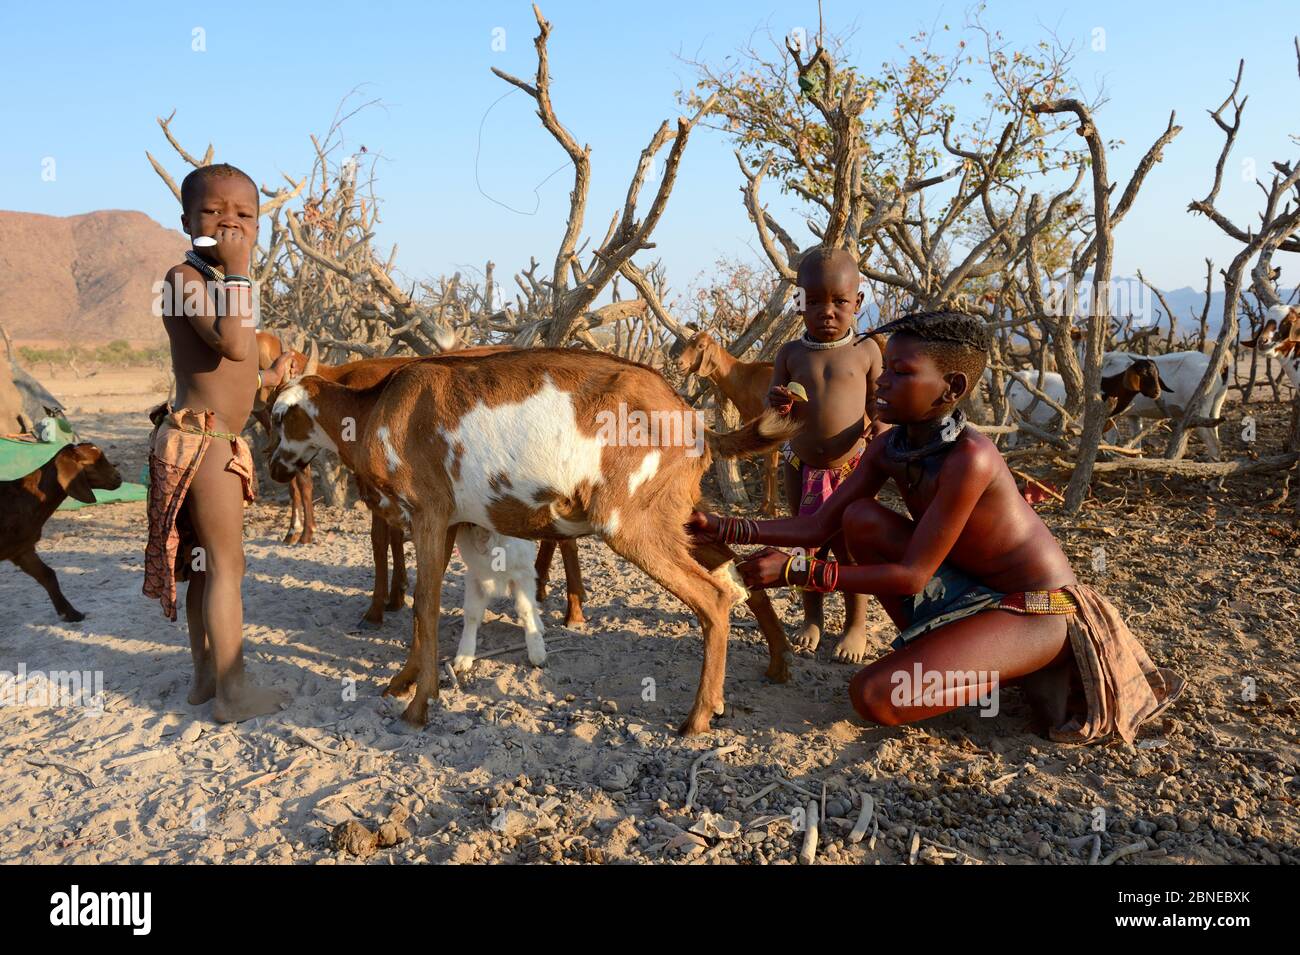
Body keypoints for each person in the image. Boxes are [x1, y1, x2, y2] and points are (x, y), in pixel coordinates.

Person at [691, 310, 1182, 743]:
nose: (881, 382)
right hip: (971, 593)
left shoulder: (970, 458)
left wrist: (801, 574)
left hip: (1038, 608)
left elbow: (911, 578)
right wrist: (724, 527)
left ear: (952, 389)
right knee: (859, 518)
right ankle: (979, 657)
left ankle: (1041, 663)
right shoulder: (892, 445)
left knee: (875, 696)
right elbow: (820, 524)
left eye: (900, 373)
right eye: (886, 371)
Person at [144, 163, 296, 722]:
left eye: (245, 215)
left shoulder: (215, 284)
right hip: (202, 441)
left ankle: (205, 677)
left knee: (206, 566)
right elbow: (233, 345)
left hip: (215, 438)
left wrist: (270, 378)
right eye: (214, 212)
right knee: (227, 566)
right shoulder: (185, 280)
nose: (230, 223)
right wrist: (240, 270)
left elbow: (236, 371)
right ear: (186, 221)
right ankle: (233, 691)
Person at [766, 247, 884, 663]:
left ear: (858, 302)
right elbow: (773, 410)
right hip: (801, 466)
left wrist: (881, 433)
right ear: (799, 303)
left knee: (850, 548)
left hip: (851, 467)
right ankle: (811, 618)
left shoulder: (867, 351)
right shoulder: (790, 355)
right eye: (813, 301)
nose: (826, 312)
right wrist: (779, 404)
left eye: (839, 301)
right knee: (805, 546)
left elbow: (879, 405)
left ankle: (856, 625)